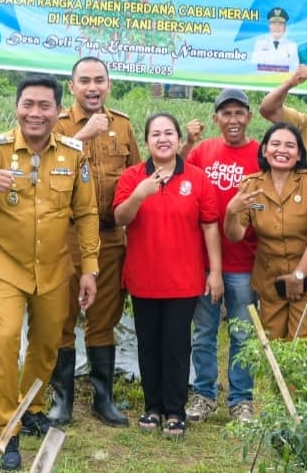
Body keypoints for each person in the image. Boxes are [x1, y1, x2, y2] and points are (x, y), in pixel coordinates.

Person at [0, 75, 100, 471]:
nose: (35, 113)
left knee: (47, 344)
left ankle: (34, 405)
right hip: (6, 266)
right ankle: (7, 427)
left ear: (58, 111)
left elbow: (86, 213)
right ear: (17, 106)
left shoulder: (74, 154)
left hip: (55, 268)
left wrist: (89, 268)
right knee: (3, 341)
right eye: (28, 105)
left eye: (44, 106)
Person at [113, 113, 221, 439]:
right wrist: (140, 194)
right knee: (148, 344)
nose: (163, 139)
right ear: (146, 142)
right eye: (156, 134)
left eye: (169, 133)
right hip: (144, 278)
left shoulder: (198, 179)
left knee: (176, 344)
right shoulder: (133, 177)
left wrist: (214, 271)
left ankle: (175, 410)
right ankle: (153, 407)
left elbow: (210, 225)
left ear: (178, 139)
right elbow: (120, 217)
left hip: (184, 280)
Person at [47, 57, 139, 428]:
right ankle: (61, 397)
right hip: (65, 236)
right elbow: (43, 164)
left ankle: (103, 397)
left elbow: (135, 178)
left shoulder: (123, 126)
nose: (92, 87)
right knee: (62, 315)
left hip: (110, 236)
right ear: (71, 87)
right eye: (84, 80)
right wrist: (82, 136)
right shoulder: (56, 123)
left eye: (99, 80)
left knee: (104, 315)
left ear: (109, 84)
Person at [183, 89, 261, 423]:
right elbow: (177, 174)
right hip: (204, 261)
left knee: (243, 333)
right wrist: (187, 141)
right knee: (203, 332)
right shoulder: (202, 151)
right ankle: (204, 394)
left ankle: (241, 400)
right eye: (226, 113)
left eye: (239, 113)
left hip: (244, 260)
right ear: (216, 118)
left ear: (249, 117)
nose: (233, 120)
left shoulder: (261, 154)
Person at [225, 122, 307, 341]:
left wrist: (298, 275)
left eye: (290, 146)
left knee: (302, 352)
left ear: (299, 153)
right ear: (264, 150)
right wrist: (231, 212)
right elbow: (236, 235)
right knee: (274, 348)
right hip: (272, 281)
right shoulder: (251, 186)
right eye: (275, 144)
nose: (282, 150)